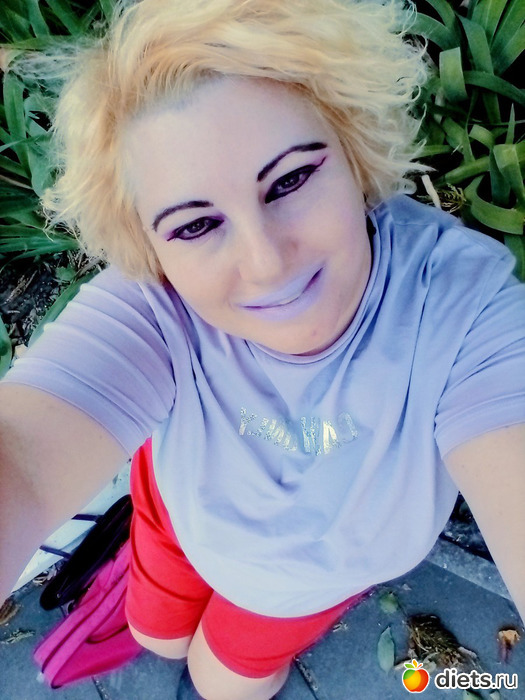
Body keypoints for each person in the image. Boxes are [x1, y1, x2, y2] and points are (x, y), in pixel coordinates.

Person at [1, 0, 524, 698]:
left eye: (291, 181)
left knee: (221, 682)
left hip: (304, 580)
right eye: (194, 226)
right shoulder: (156, 304)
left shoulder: (460, 307)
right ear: (149, 249)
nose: (267, 263)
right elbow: (23, 459)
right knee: (155, 635)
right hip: (180, 517)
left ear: (353, 150)